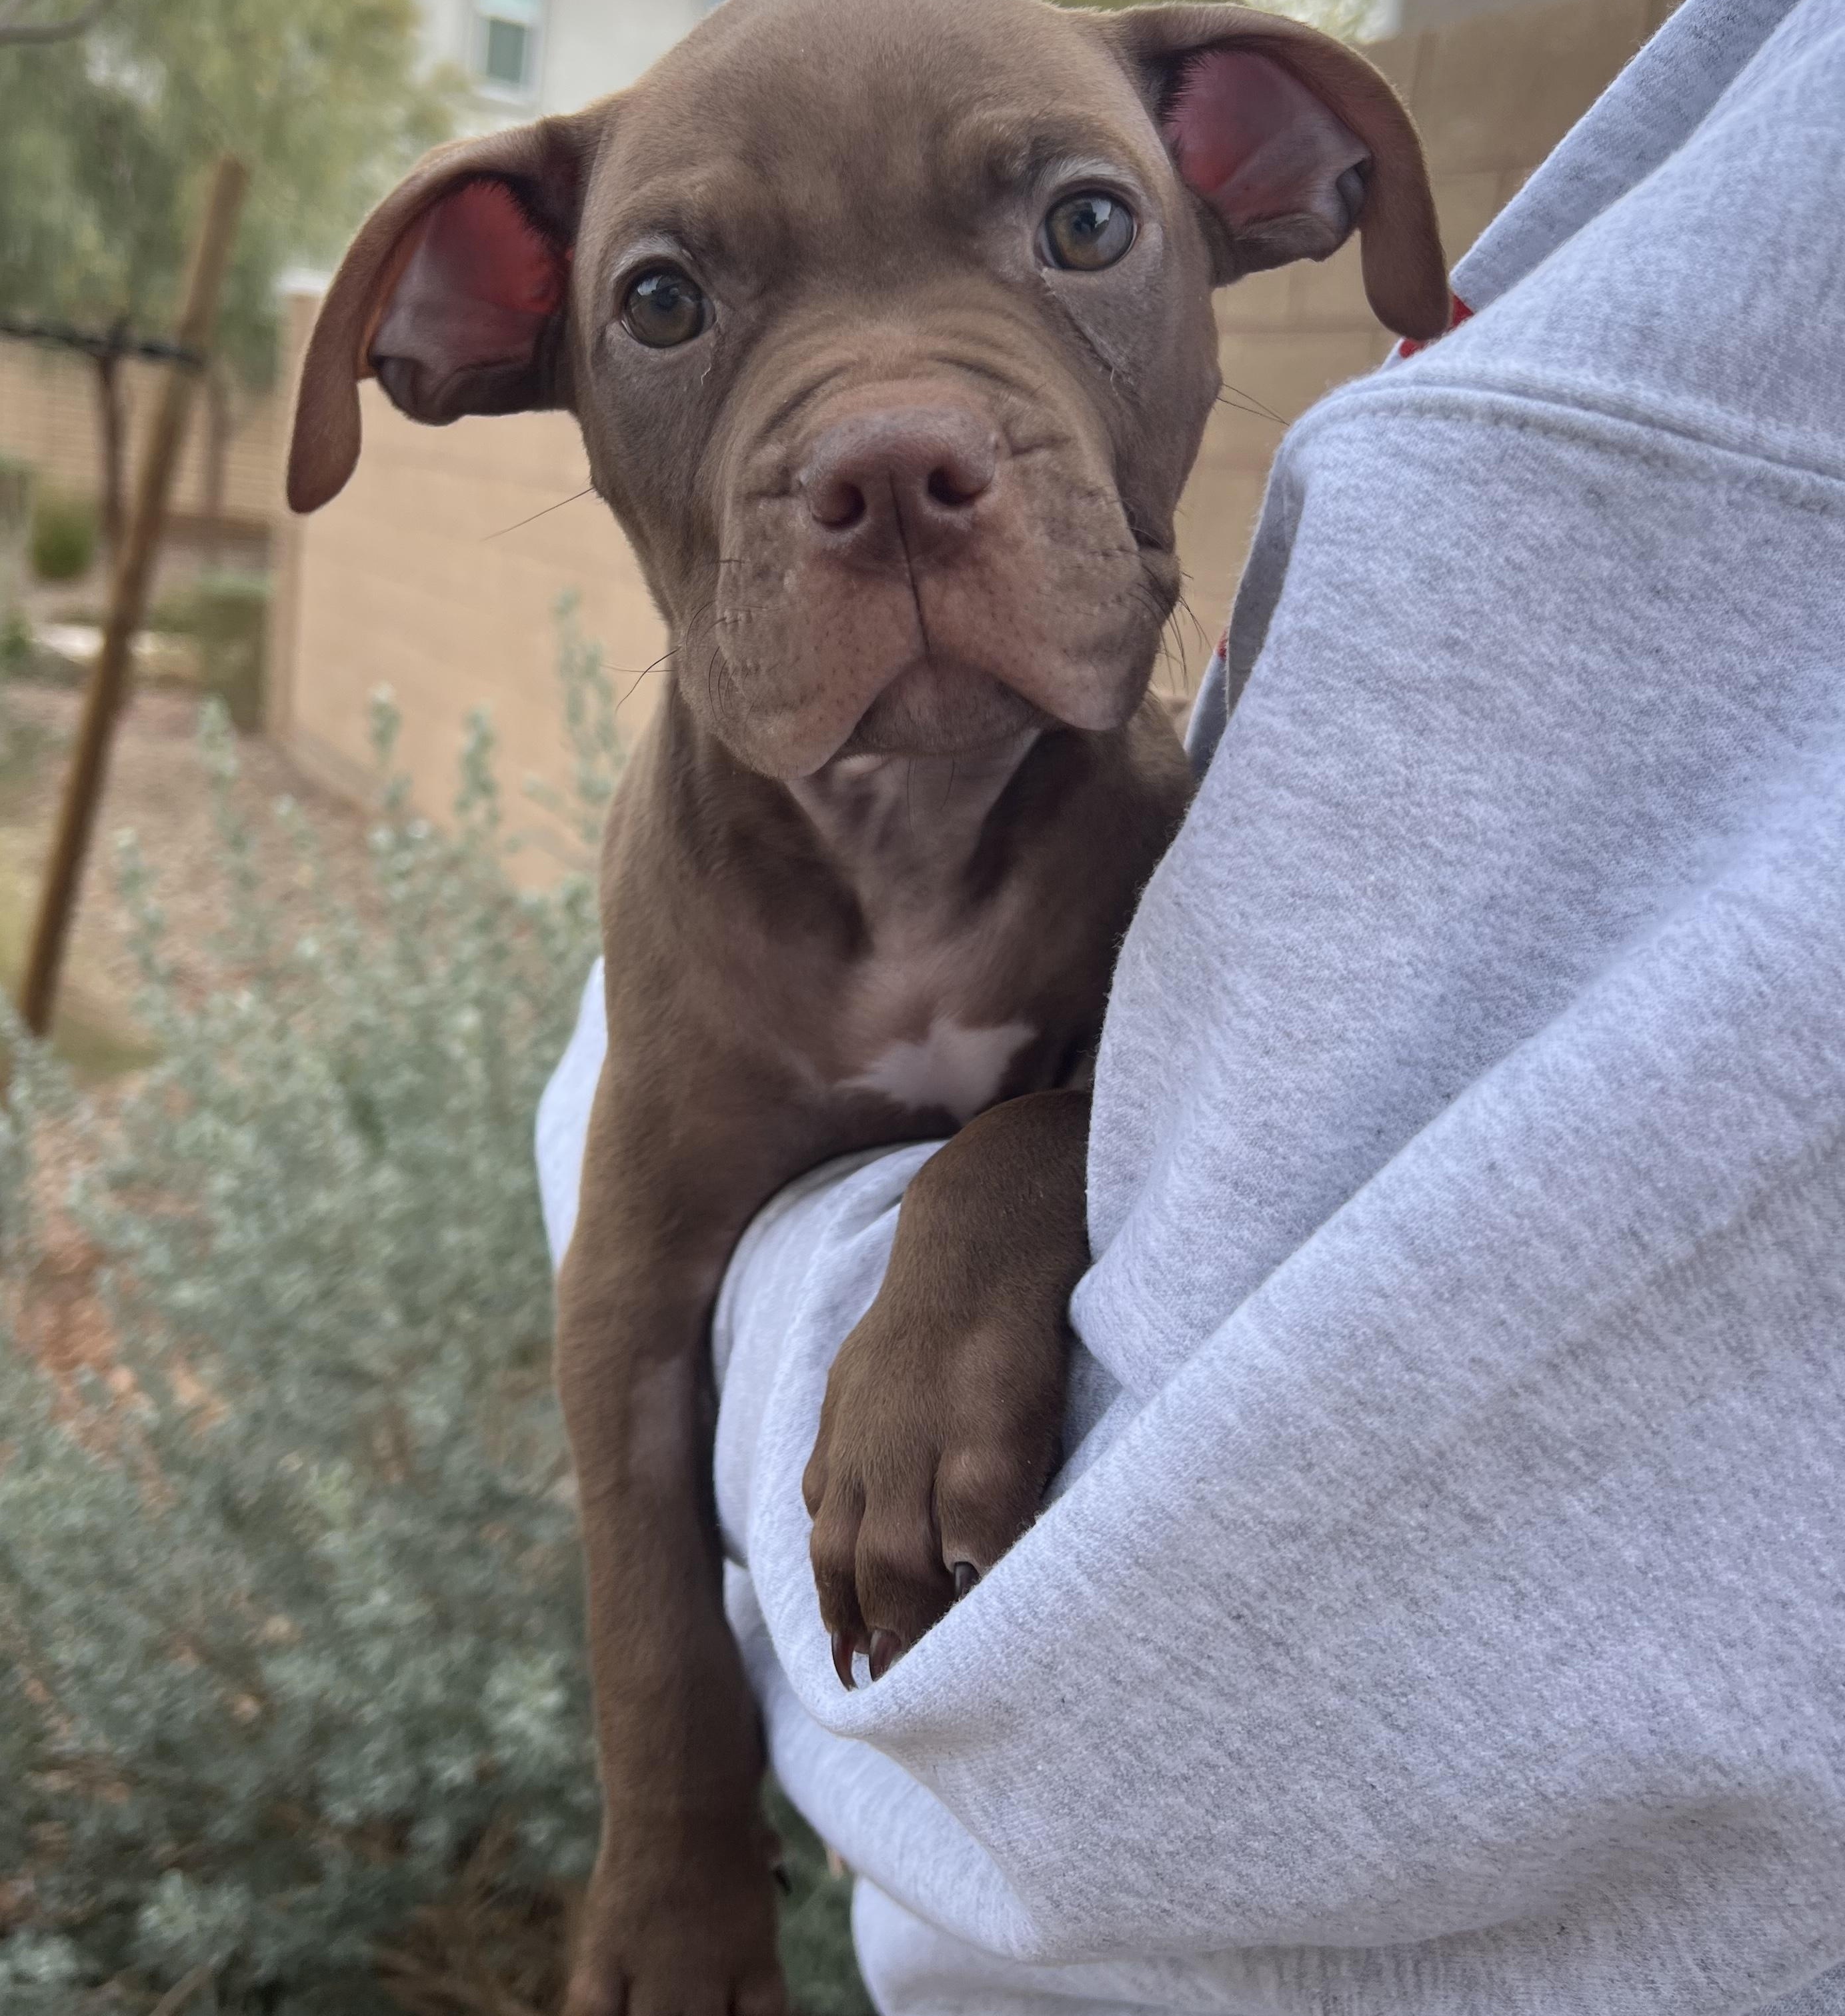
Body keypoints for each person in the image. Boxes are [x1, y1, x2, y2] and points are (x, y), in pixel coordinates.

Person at [537, 0, 1845, 2005]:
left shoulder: (1190, 841)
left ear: (1264, 180)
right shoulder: (692, 907)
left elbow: (1208, 1121)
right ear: (490, 317)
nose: (897, 433)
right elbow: (640, 1304)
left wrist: (1016, 1174)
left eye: (1076, 231)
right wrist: (678, 1851)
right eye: (665, 298)